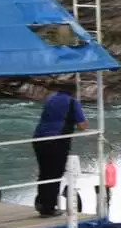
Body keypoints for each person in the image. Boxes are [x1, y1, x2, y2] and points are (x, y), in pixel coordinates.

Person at [32, 81, 88, 217]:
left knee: (44, 173)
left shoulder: (50, 99)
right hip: (56, 141)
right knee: (55, 174)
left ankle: (41, 202)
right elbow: (82, 126)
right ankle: (49, 208)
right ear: (74, 91)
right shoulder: (72, 102)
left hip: (39, 138)